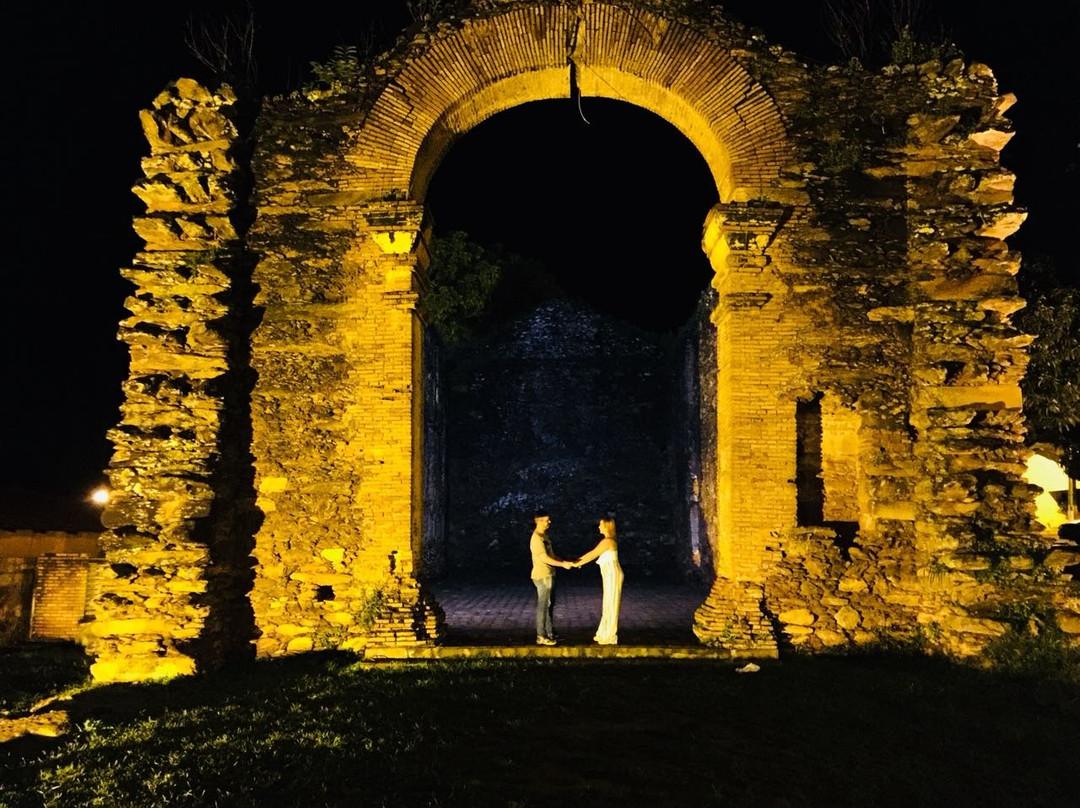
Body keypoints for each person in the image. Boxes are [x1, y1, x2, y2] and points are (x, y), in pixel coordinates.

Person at [573, 516, 624, 645]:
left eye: (601, 525)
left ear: (607, 526)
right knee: (607, 603)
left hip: (613, 574)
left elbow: (592, 554)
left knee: (611, 604)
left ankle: (609, 635)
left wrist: (576, 563)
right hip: (609, 574)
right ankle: (604, 633)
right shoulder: (606, 541)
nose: (599, 527)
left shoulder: (607, 541)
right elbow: (592, 553)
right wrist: (576, 562)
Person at [529, 512, 569, 646]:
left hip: (549, 574)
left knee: (549, 605)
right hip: (542, 575)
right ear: (538, 521)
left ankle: (550, 633)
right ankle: (541, 635)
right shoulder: (536, 539)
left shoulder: (544, 536)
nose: (549, 523)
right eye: (546, 521)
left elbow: (551, 555)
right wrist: (563, 564)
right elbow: (544, 558)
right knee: (543, 606)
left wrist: (565, 561)